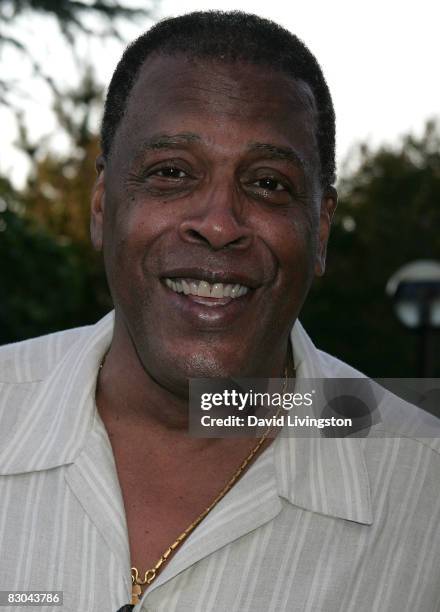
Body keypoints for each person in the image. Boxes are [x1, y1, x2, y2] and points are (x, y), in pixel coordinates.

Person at [0, 11, 439, 612]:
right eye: (171, 172)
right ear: (102, 205)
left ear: (321, 228)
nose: (217, 223)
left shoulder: (424, 487)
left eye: (268, 184)